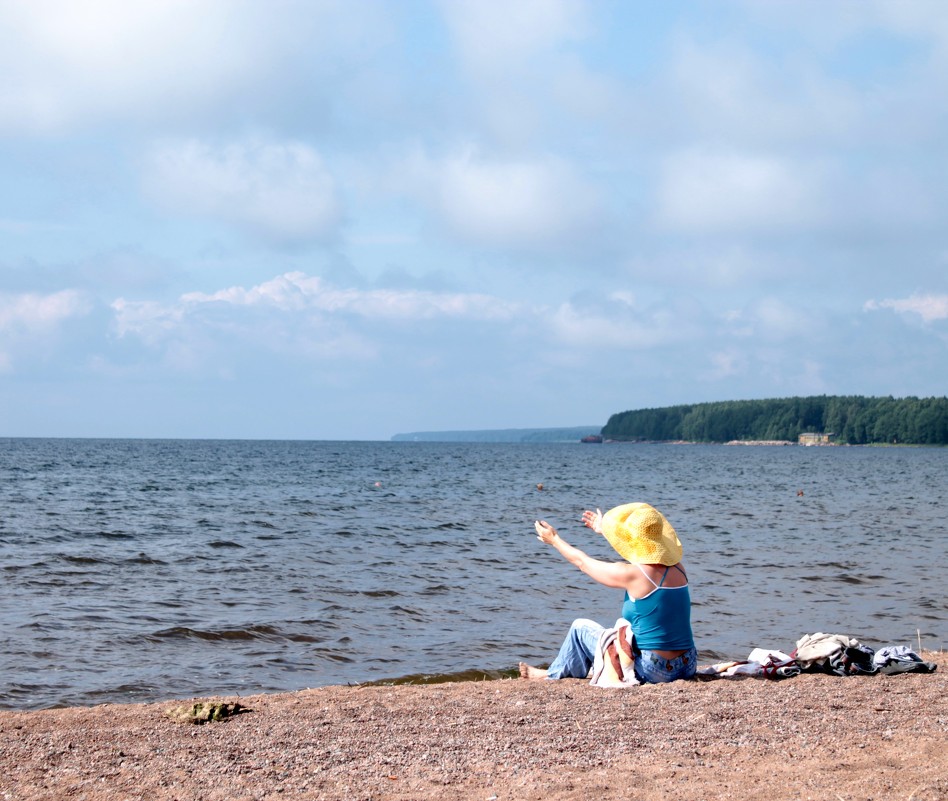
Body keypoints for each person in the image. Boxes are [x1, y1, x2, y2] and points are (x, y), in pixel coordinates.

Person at [519, 502, 697, 684]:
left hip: (655, 670)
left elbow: (583, 562)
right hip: (687, 664)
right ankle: (567, 668)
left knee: (580, 629)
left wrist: (554, 539)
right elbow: (640, 554)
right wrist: (603, 530)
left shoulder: (633, 575)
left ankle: (553, 673)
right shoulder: (679, 569)